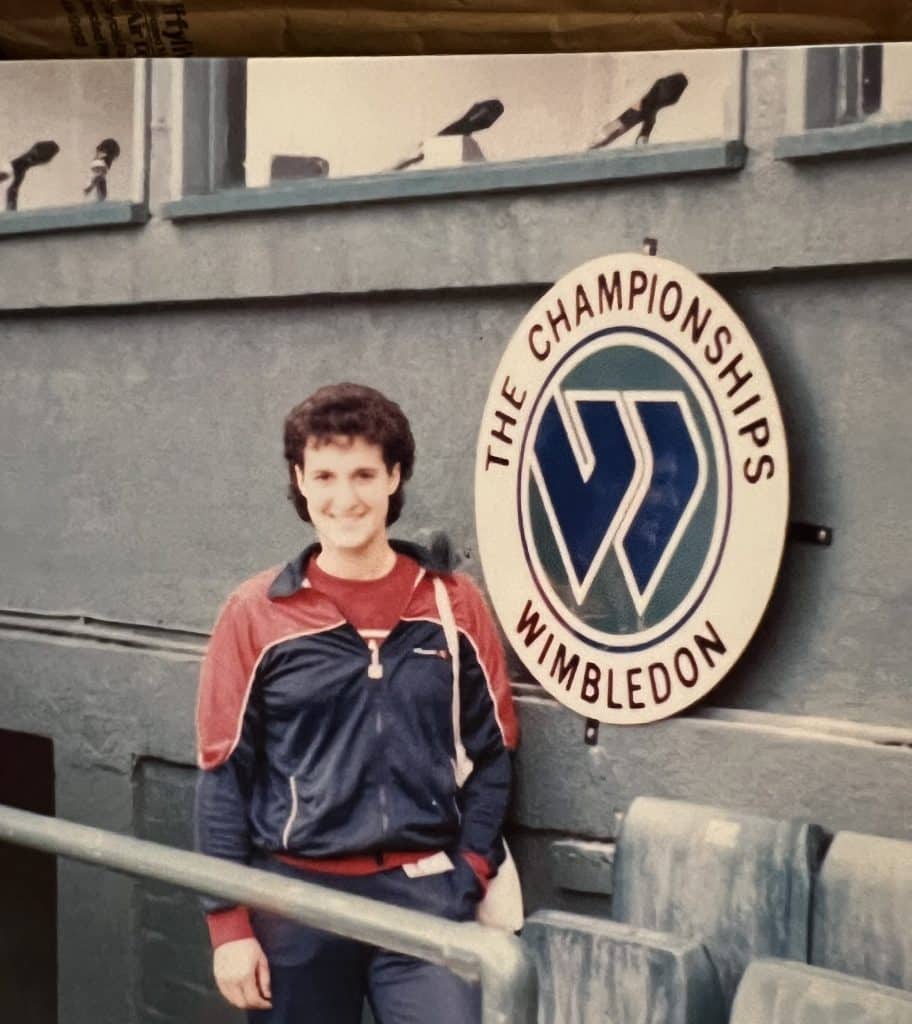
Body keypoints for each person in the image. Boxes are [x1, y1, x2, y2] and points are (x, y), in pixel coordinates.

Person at [194, 382, 518, 1023]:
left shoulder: (453, 603)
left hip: (426, 897)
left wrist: (469, 871)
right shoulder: (256, 613)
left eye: (365, 473)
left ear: (394, 477)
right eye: (326, 475)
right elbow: (223, 775)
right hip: (296, 899)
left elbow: (495, 755)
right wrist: (228, 924)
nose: (346, 498)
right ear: (301, 481)